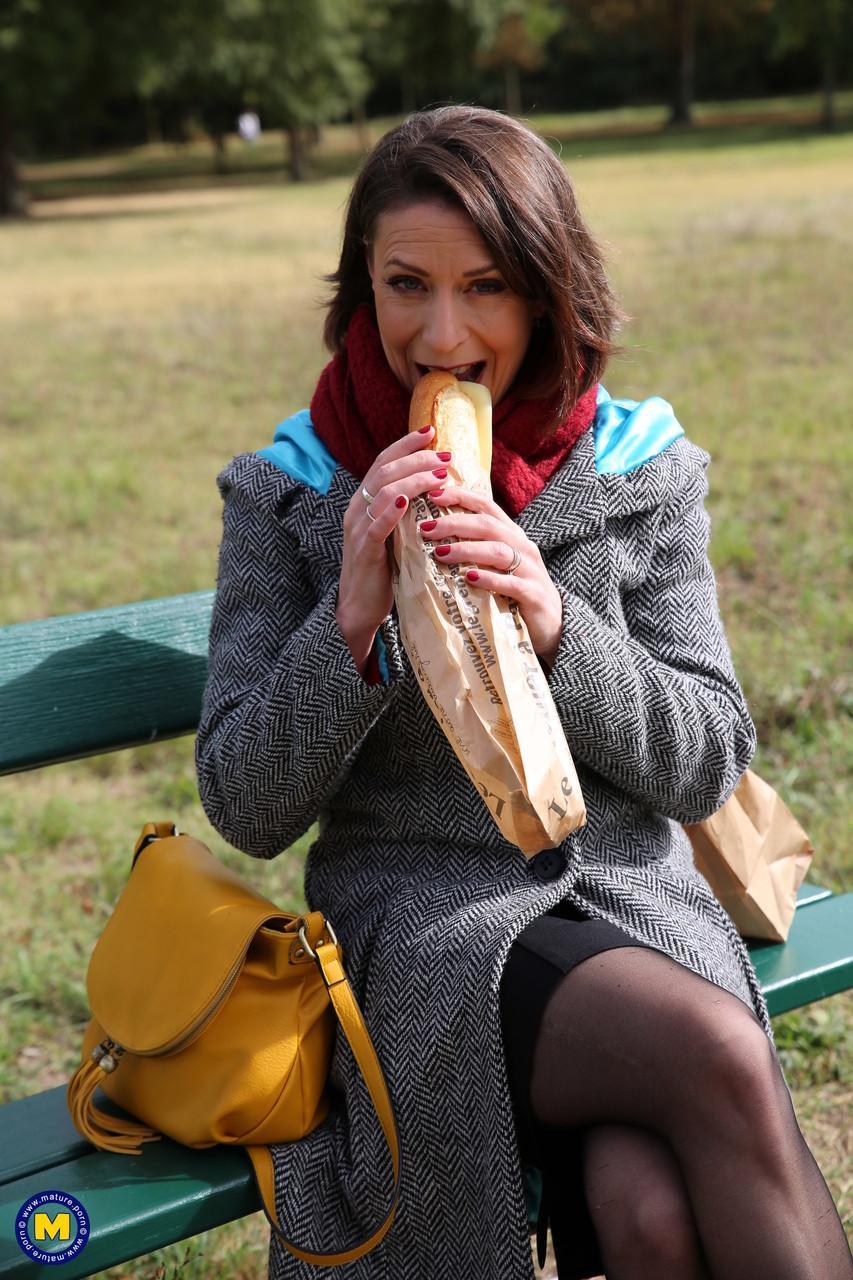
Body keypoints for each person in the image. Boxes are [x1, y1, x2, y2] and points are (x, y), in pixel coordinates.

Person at [195, 105, 852, 1280]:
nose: (440, 333)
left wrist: (557, 627)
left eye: (485, 286)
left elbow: (705, 756)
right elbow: (243, 801)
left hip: (631, 900)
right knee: (718, 1053)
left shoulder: (635, 464)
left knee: (647, 1213)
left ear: (546, 292)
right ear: (363, 294)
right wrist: (350, 624)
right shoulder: (291, 491)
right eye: (406, 285)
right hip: (425, 938)